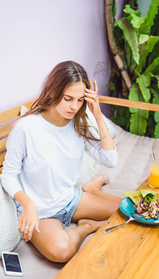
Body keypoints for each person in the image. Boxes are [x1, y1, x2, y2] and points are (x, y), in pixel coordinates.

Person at [1, 61, 122, 263]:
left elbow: (110, 160)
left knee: (129, 213)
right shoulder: (26, 128)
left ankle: (90, 190)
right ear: (53, 92)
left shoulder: (80, 121)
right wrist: (27, 203)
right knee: (62, 252)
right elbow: (8, 175)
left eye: (80, 99)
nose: (74, 106)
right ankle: (87, 226)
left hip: (70, 200)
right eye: (68, 99)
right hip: (41, 213)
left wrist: (98, 115)